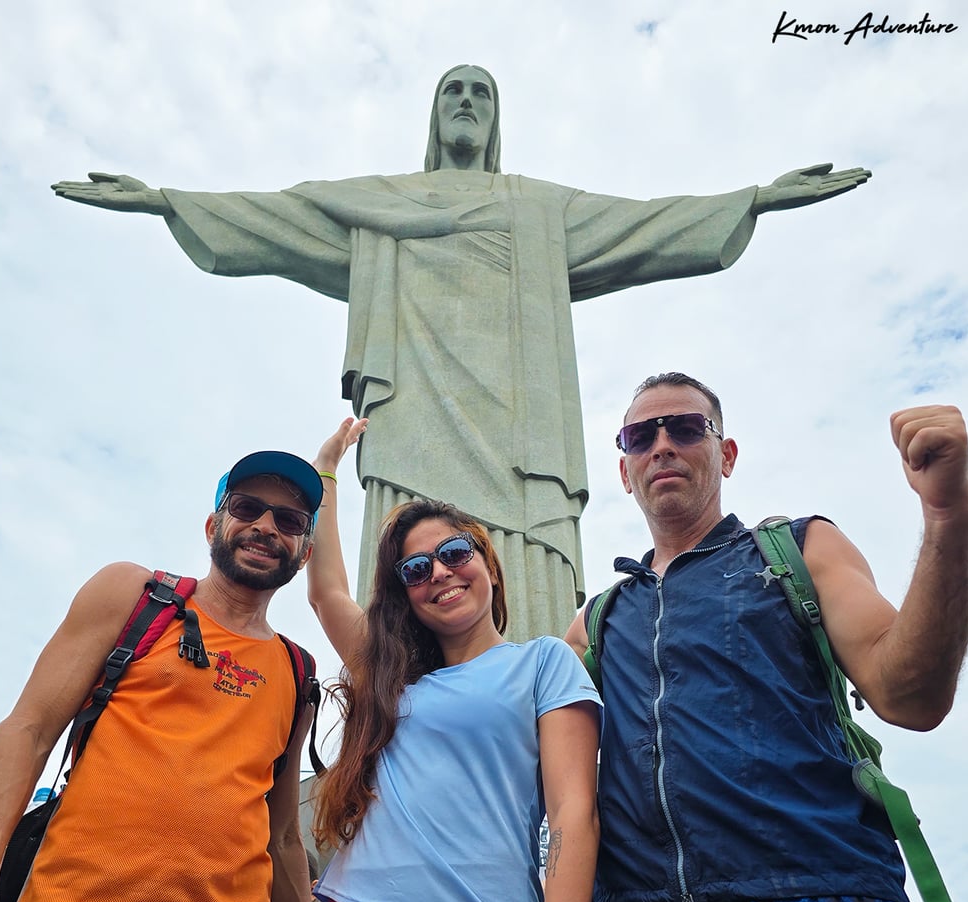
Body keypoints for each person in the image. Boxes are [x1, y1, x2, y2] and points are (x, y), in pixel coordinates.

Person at [50, 65, 871, 643]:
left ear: (496, 117)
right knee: (412, 562)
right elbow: (279, 219)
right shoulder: (380, 206)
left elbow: (644, 224)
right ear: (436, 115)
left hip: (521, 433)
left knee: (530, 600)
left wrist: (754, 200)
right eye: (455, 92)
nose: (468, 104)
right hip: (413, 419)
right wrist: (165, 201)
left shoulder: (537, 209)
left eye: (482, 93)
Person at [564, 372, 968, 902]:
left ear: (725, 454)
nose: (662, 445)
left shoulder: (800, 551)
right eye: (640, 436)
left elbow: (910, 695)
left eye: (686, 428)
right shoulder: (597, 622)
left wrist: (947, 518)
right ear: (624, 470)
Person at [0, 450, 325, 902]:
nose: (264, 526)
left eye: (289, 521)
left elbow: (282, 839)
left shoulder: (299, 672)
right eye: (247, 508)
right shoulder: (136, 596)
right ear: (214, 524)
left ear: (303, 552)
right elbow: (27, 732)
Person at [300, 418, 601, 902]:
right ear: (407, 596)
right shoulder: (389, 679)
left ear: (487, 563)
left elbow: (573, 814)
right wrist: (326, 473)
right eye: (415, 570)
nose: (438, 572)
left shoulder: (544, 664)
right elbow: (326, 592)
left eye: (453, 552)